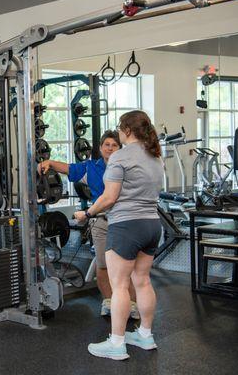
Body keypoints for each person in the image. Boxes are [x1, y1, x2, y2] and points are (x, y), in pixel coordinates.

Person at [76, 111, 164, 360]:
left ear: (126, 129)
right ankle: (145, 336)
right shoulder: (156, 156)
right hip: (152, 225)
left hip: (126, 226)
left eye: (119, 128)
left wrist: (88, 213)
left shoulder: (120, 157)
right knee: (143, 281)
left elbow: (110, 197)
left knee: (120, 286)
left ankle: (117, 343)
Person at [38, 131, 139, 319]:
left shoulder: (127, 167)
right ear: (100, 148)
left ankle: (131, 305)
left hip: (124, 222)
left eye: (114, 145)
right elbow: (69, 168)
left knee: (126, 268)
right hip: (100, 222)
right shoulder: (91, 167)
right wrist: (50, 163)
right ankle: (109, 302)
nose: (110, 148)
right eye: (106, 145)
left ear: (120, 148)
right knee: (102, 265)